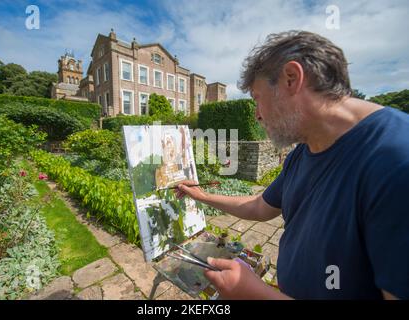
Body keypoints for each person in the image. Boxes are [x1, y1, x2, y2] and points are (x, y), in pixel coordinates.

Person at [175, 30, 409, 300]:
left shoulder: (397, 160)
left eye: (257, 98)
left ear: (291, 79)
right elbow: (261, 206)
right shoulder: (305, 149)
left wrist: (256, 294)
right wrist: (201, 196)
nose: (257, 115)